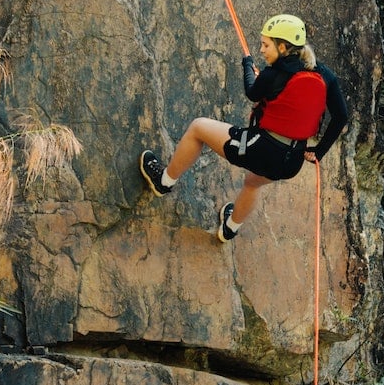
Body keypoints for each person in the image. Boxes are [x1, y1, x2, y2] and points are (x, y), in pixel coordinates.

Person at [139, 13, 348, 242]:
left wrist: (248, 66)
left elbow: (252, 92)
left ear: (282, 46)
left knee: (198, 128)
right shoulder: (324, 74)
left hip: (260, 149)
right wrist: (320, 151)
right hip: (291, 161)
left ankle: (164, 182)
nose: (261, 50)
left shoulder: (273, 73)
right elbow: (340, 116)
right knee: (253, 182)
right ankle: (229, 229)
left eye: (266, 45)